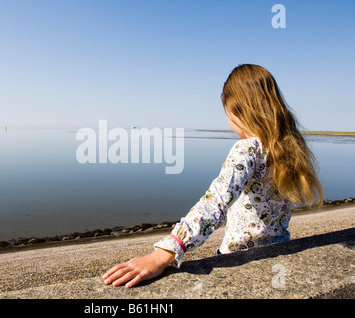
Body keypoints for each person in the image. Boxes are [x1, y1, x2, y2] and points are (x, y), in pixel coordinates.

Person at [103, 64, 324, 288]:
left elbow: (214, 204)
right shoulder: (286, 148)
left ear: (237, 109)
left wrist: (164, 253)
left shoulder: (247, 149)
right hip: (281, 251)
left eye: (226, 111)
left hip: (241, 258)